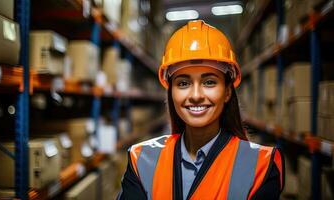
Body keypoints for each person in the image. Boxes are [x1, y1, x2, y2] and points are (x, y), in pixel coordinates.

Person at [117, 20, 284, 200]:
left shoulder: (261, 165)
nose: (196, 95)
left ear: (227, 92)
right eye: (183, 83)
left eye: (209, 82)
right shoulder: (142, 160)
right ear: (171, 91)